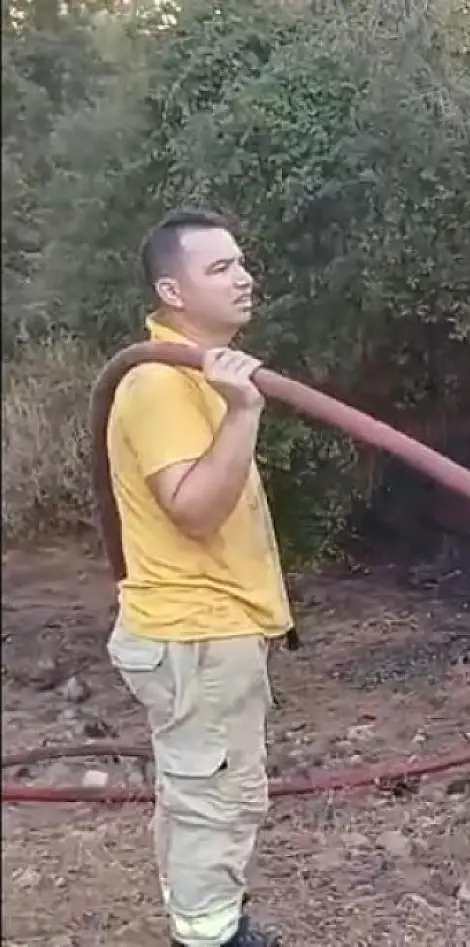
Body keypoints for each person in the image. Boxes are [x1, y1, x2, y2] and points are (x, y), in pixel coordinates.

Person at [105, 208, 290, 947]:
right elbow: (193, 508)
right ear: (171, 291)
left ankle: (208, 919)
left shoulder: (193, 375)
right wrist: (244, 412)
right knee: (215, 796)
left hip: (208, 629)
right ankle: (209, 936)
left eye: (242, 262)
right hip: (197, 632)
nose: (243, 277)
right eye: (220, 268)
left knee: (199, 792)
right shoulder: (158, 384)